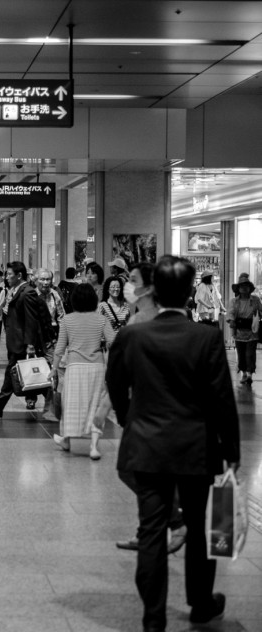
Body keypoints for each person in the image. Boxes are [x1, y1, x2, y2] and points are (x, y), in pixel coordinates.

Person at [106, 256, 240, 632]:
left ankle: (153, 617)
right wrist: (231, 451)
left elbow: (116, 384)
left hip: (146, 445)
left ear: (155, 290)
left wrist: (129, 417)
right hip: (197, 449)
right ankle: (200, 603)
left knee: (151, 529)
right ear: (188, 292)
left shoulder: (133, 335)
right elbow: (221, 398)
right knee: (199, 528)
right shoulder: (206, 337)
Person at [115, 261, 187, 554]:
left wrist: (120, 411)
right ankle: (158, 527)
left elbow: (121, 375)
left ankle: (172, 522)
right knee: (145, 472)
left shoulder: (143, 324)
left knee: (135, 470)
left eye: (132, 280)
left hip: (150, 412)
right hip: (162, 412)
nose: (127, 285)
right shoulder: (146, 319)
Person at [0, 261, 54, 419]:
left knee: (18, 374)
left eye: (9, 274)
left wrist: (30, 344)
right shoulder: (17, 290)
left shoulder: (27, 293)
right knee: (12, 374)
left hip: (22, 343)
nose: (7, 277)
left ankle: (54, 404)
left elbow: (31, 320)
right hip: (16, 341)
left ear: (19, 276)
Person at [50, 284, 116, 460]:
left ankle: (66, 440)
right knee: (95, 405)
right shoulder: (101, 319)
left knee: (71, 405)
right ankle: (94, 446)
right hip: (97, 368)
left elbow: (59, 348)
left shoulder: (67, 320)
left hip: (75, 367)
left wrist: (54, 368)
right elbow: (113, 341)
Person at [29, 268, 65, 416]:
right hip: (34, 337)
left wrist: (63, 338)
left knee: (53, 369)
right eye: (42, 279)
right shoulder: (30, 296)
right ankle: (31, 397)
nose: (45, 282)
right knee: (32, 368)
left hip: (51, 337)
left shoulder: (55, 295)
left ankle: (51, 401)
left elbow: (62, 317)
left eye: (48, 279)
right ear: (36, 281)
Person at [226, 276, 262, 384]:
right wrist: (231, 321)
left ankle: (250, 374)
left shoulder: (255, 300)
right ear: (238, 289)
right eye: (242, 286)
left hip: (252, 331)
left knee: (250, 354)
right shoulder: (234, 301)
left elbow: (261, 310)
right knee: (241, 354)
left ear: (250, 288)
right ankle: (244, 374)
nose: (244, 288)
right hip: (239, 331)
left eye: (246, 286)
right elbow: (230, 313)